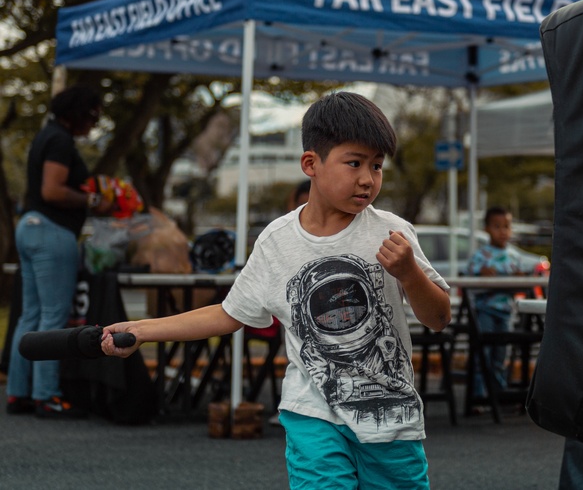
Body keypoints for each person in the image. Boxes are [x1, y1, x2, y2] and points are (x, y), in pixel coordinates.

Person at [102, 91, 452, 489]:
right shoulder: (277, 241)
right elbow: (227, 313)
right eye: (354, 162)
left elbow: (439, 318)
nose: (367, 179)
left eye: (377, 166)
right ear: (311, 164)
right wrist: (144, 331)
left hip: (390, 417)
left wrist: (409, 274)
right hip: (312, 413)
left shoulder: (392, 232)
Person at [7, 84, 114, 419]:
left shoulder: (45, 134)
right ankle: (46, 395)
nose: (94, 123)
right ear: (78, 112)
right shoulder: (60, 140)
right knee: (52, 317)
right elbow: (52, 190)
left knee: (31, 315)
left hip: (29, 225)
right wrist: (92, 200)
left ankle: (18, 393)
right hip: (52, 230)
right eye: (93, 115)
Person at [465, 205, 525, 402]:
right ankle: (479, 396)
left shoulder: (515, 256)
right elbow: (469, 281)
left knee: (501, 355)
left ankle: (499, 394)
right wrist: (481, 275)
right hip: (486, 311)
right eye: (497, 226)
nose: (503, 231)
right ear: (487, 229)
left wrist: (518, 279)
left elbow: (521, 286)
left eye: (506, 226)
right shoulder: (481, 256)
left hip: (507, 311)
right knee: (483, 353)